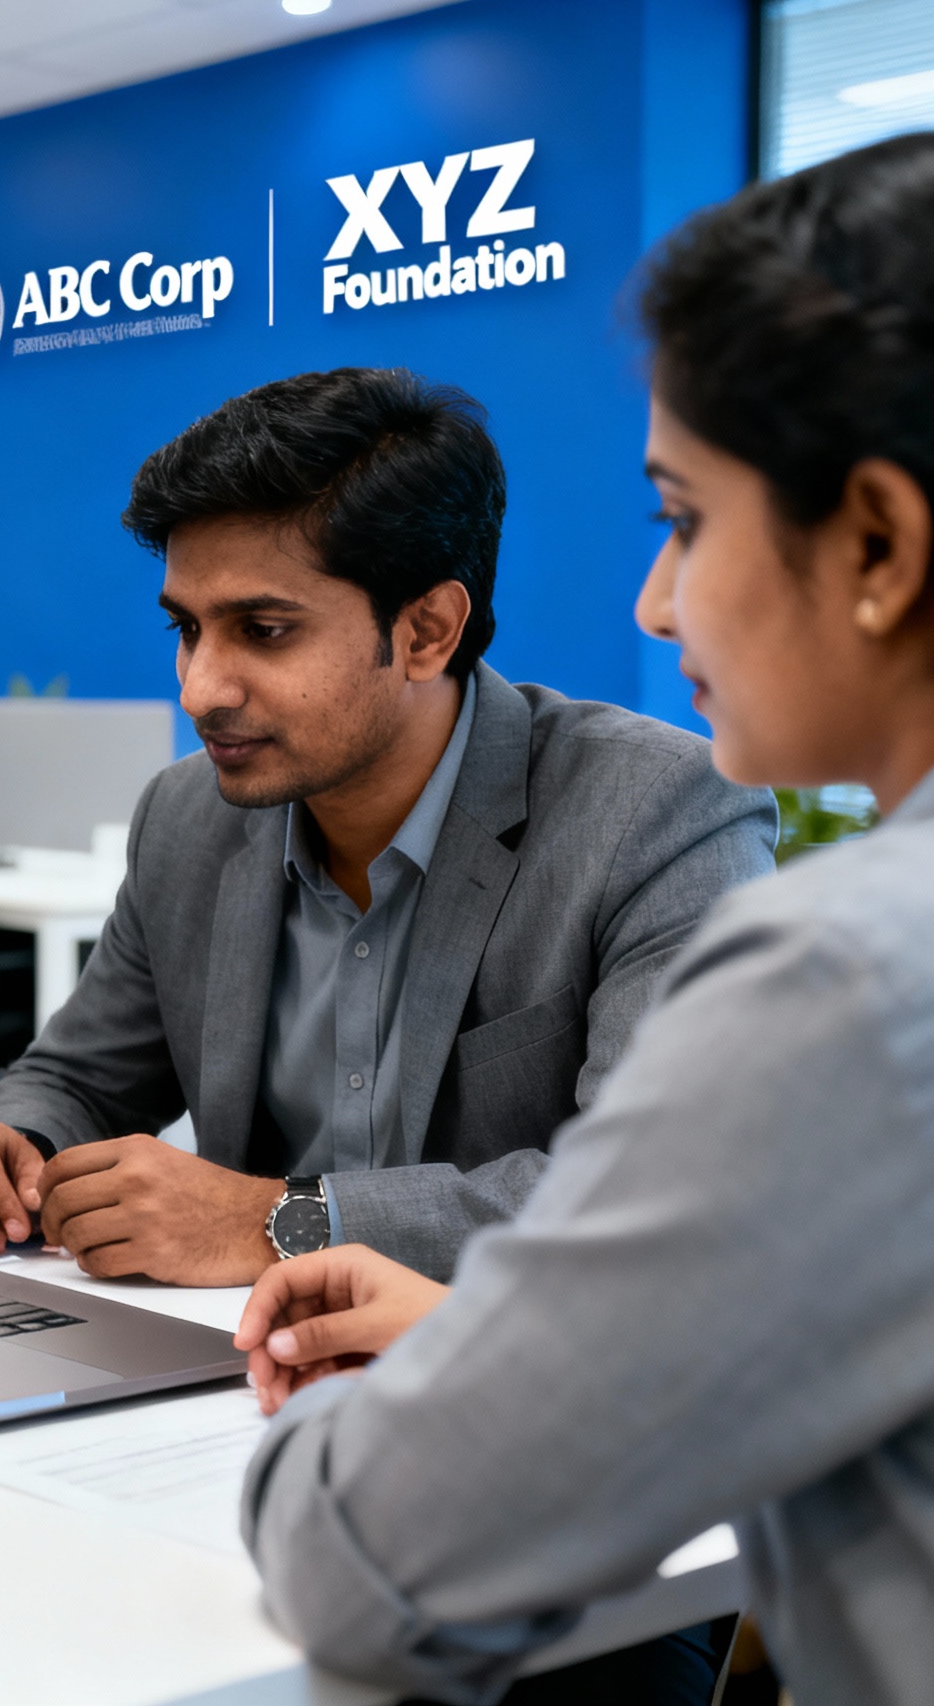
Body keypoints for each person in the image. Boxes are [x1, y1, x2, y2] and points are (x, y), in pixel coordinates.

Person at [235, 132, 934, 1704]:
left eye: (685, 520)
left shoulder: (854, 972)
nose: (657, 604)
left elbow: (366, 1559)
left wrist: (481, 1386)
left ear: (878, 544)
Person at [0, 368, 774, 1286]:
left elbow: (662, 1188)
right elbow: (77, 1078)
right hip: (225, 1369)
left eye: (263, 630)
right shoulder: (187, 817)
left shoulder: (654, 811)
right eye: (187, 629)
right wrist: (13, 1141)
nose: (200, 689)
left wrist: (279, 1222)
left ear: (428, 631)